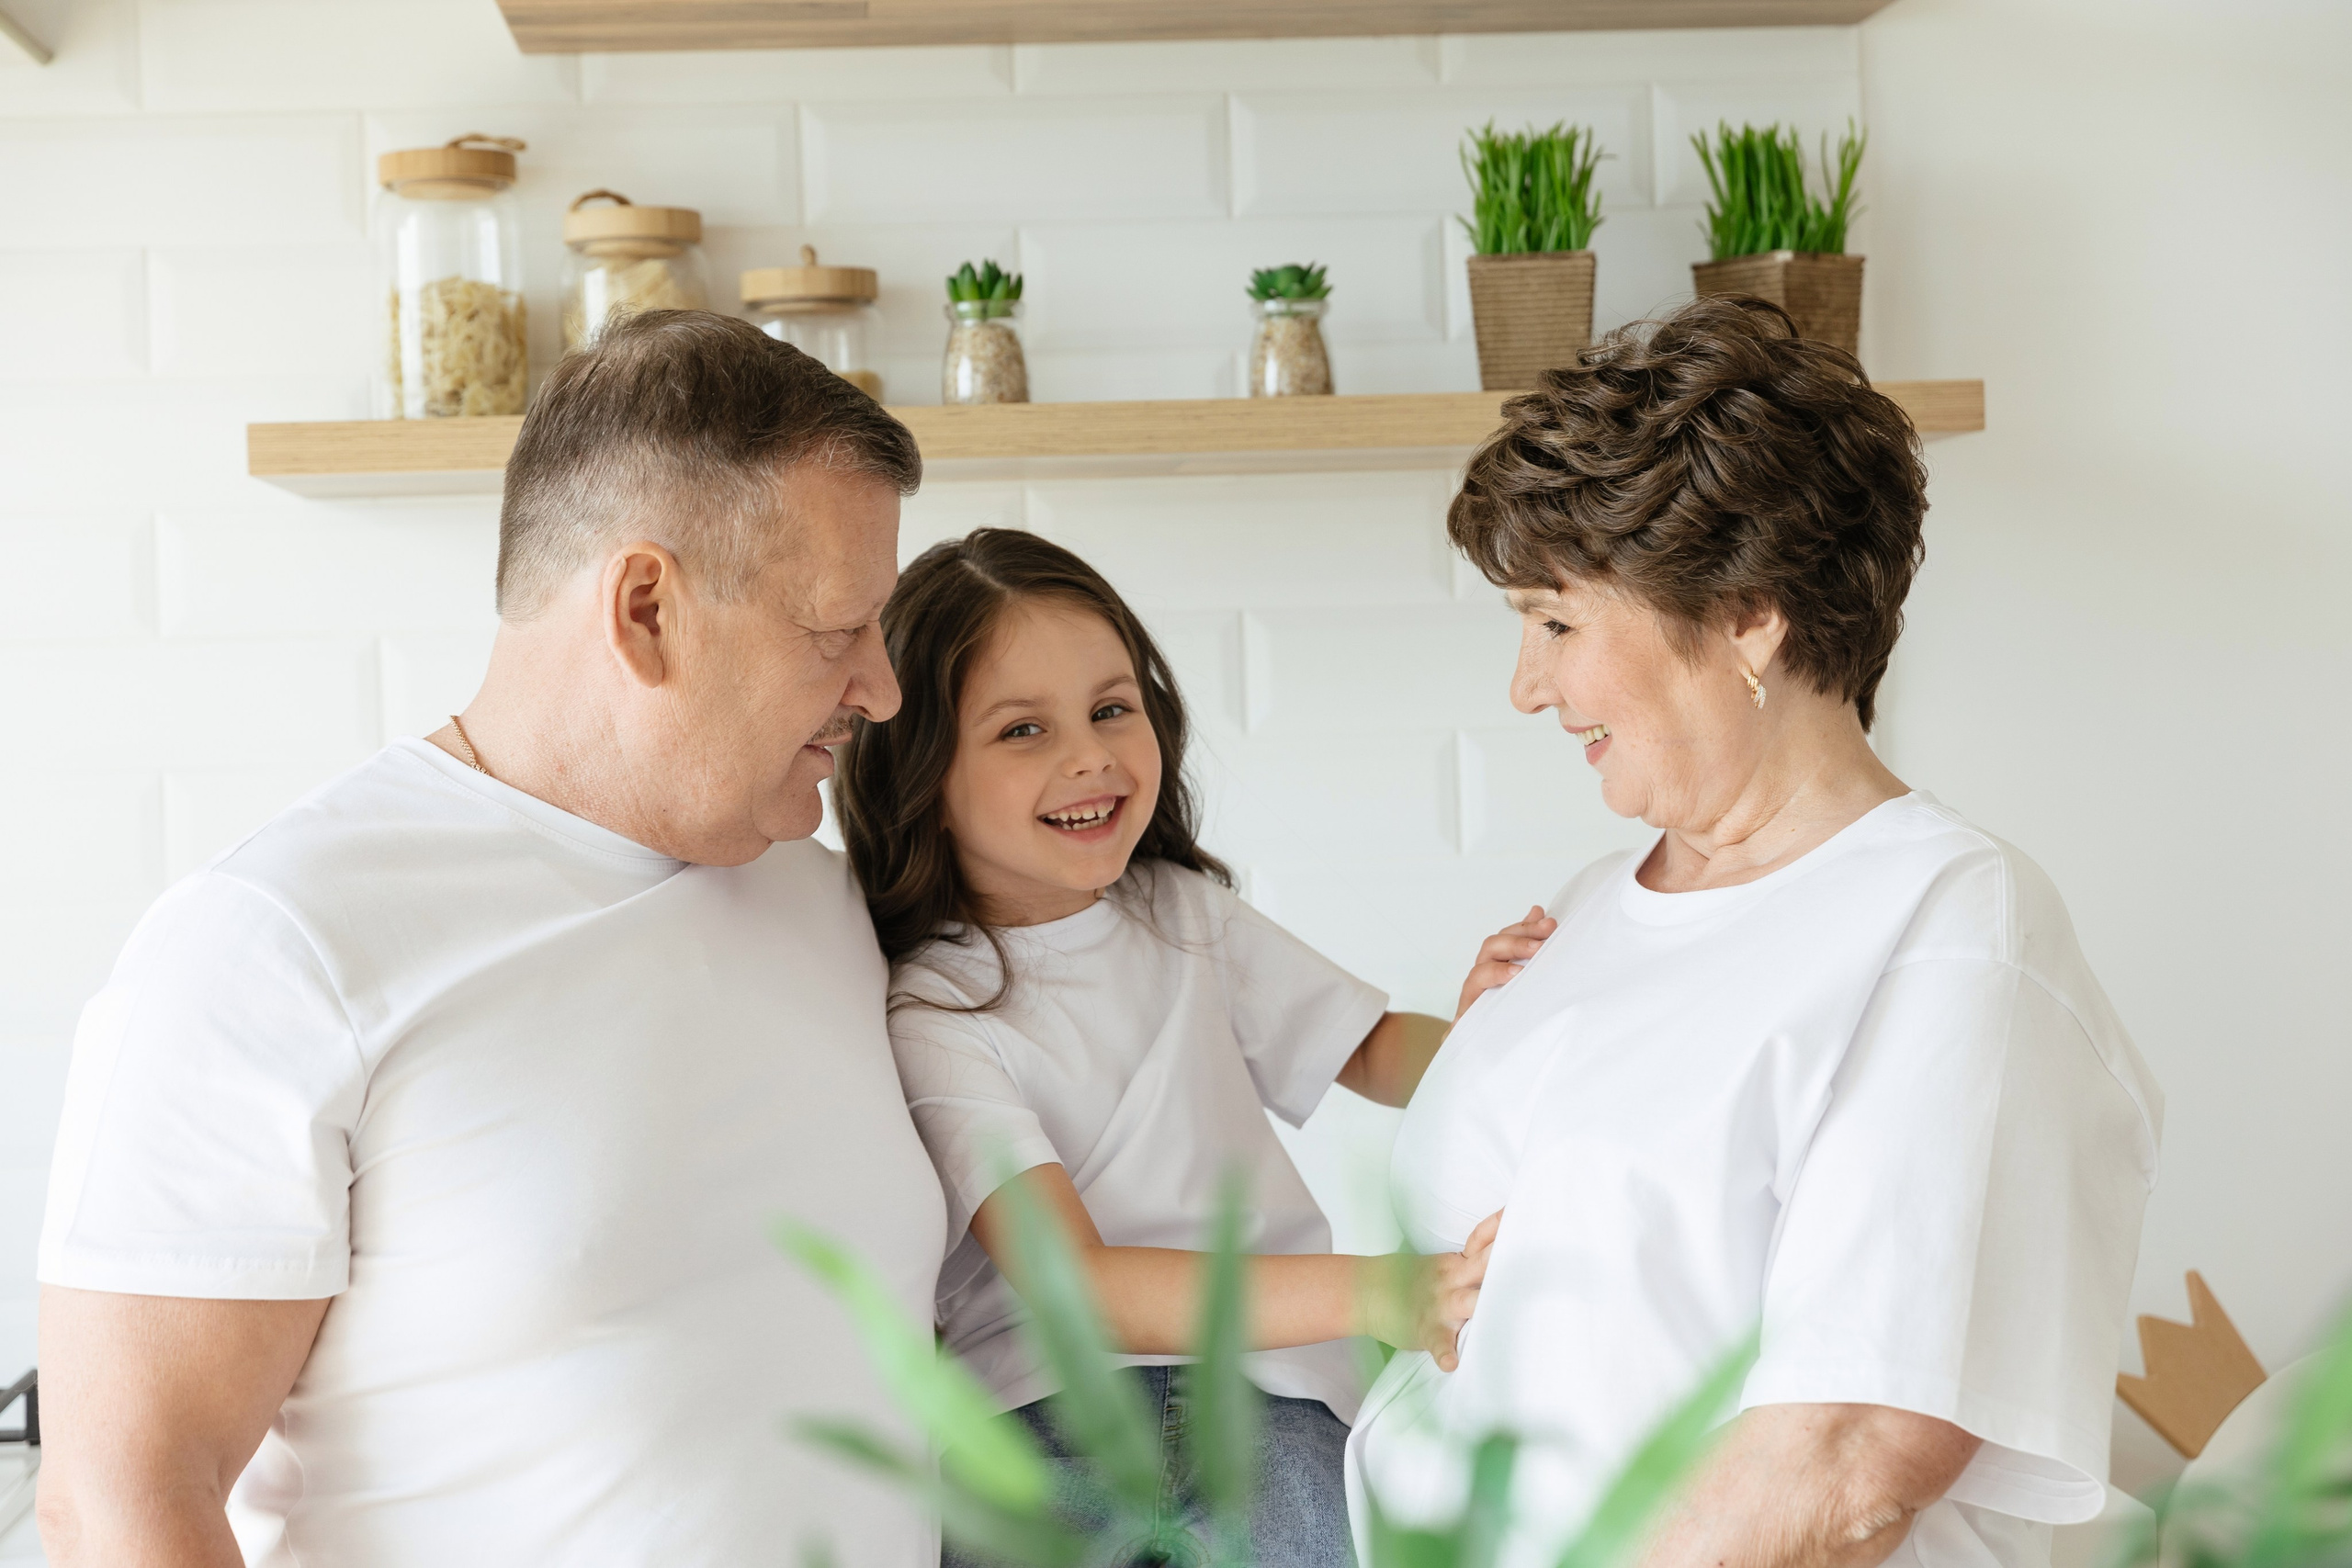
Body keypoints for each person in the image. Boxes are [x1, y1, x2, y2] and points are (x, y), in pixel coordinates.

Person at [35, 312, 947, 1567]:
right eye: (840, 628)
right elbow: (118, 1500)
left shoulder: (826, 903)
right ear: (645, 608)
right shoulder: (274, 943)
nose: (883, 687)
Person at [1348, 298, 2165, 1568]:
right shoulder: (1582, 911)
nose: (1526, 683)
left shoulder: (1952, 930)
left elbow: (1844, 1461)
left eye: (1557, 622)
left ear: (1745, 613)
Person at [833, 528, 1498, 1567]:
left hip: (1270, 1392)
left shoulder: (1183, 915)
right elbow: (1078, 1290)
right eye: (1022, 731)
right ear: (922, 776)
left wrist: (1510, 1037)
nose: (1089, 755)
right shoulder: (936, 1012)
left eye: (1110, 709)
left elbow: (1371, 1051)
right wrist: (1382, 1293)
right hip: (1051, 1416)